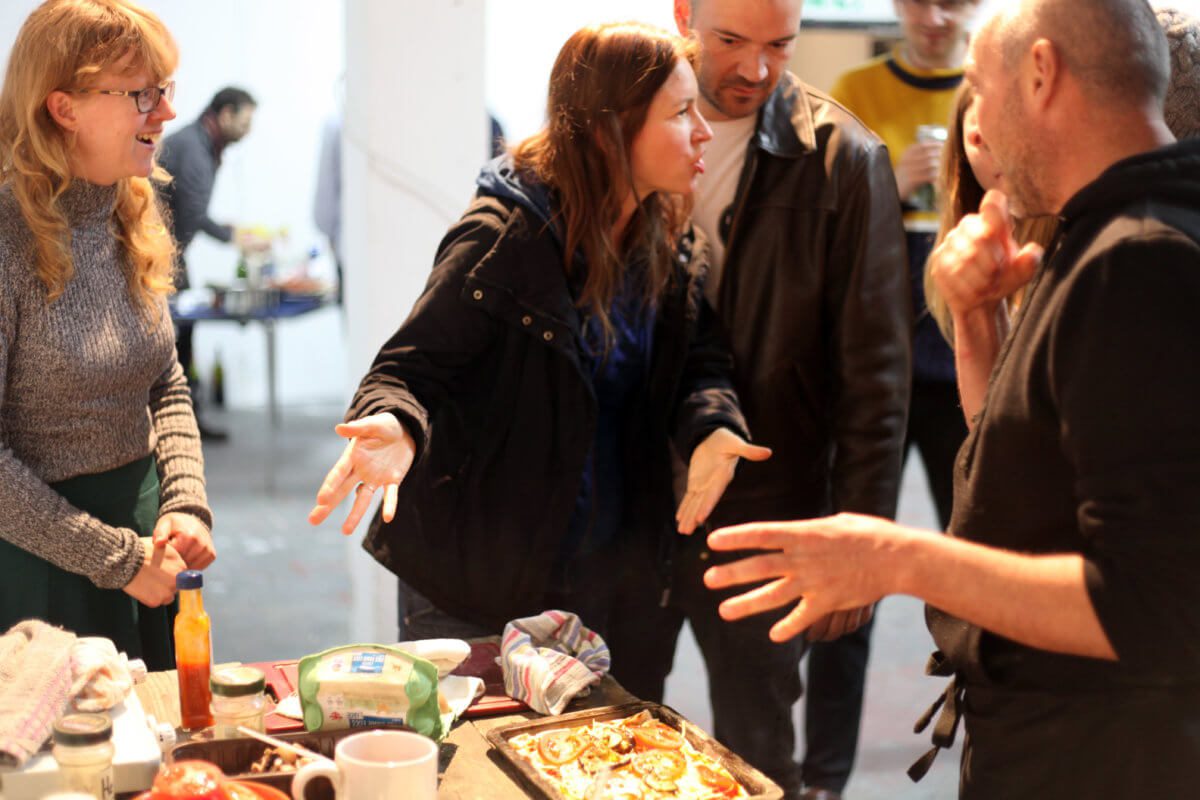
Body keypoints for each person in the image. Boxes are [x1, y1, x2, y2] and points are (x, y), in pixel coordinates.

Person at [703, 0, 1200, 795]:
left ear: (1041, 74)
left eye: (980, 85)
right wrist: (976, 328)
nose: (979, 127)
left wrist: (894, 557)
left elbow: (1145, 606)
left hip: (1096, 756)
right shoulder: (1101, 233)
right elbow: (1034, 483)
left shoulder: (1138, 260)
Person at [309, 23, 769, 650]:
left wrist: (712, 425)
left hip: (612, 588)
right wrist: (394, 421)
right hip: (479, 590)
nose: (704, 130)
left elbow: (699, 363)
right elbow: (410, 371)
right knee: (473, 750)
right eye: (682, 111)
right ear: (613, 129)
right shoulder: (505, 239)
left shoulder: (670, 240)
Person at [609, 3, 911, 798]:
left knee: (757, 751)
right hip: (626, 504)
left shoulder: (843, 159)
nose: (755, 69)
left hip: (766, 513)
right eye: (731, 42)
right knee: (608, 739)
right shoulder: (619, 129)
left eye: (780, 45)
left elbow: (877, 376)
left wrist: (864, 545)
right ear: (684, 14)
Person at [0, 0, 214, 671]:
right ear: (63, 108)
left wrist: (185, 501)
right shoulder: (9, 239)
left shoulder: (131, 207)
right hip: (44, 567)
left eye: (166, 89)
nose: (168, 113)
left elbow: (165, 380)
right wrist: (116, 559)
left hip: (151, 545)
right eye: (142, 94)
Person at [158, 86, 257, 440]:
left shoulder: (199, 144)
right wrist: (232, 237)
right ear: (225, 114)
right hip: (158, 257)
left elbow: (190, 211)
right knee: (173, 338)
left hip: (168, 253)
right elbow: (192, 213)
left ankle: (186, 423)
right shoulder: (195, 149)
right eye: (245, 121)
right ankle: (176, 428)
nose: (249, 131)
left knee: (184, 335)